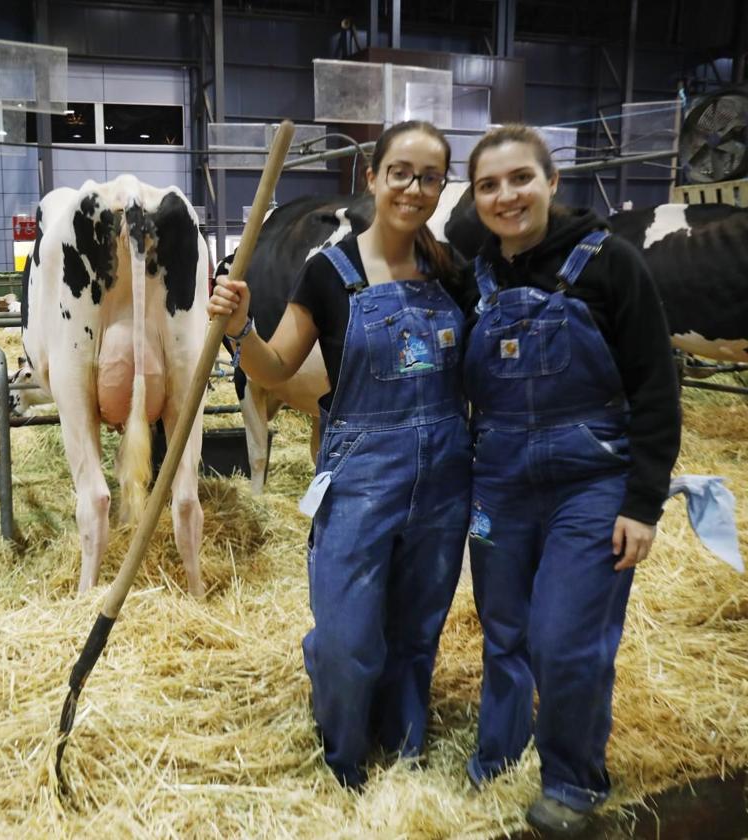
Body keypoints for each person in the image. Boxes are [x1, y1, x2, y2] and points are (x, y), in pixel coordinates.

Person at [208, 120, 474, 786]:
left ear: (442, 186)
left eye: (429, 176)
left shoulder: (451, 271)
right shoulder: (330, 271)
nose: (414, 188)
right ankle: (347, 758)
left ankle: (407, 747)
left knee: (417, 633)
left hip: (443, 480)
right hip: (359, 479)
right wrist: (240, 329)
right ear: (373, 178)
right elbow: (273, 369)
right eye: (401, 173)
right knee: (349, 640)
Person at [461, 125, 681, 836]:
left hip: (591, 481)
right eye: (489, 185)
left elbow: (656, 386)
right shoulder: (476, 275)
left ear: (553, 182)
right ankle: (497, 751)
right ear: (476, 197)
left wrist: (642, 503)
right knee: (502, 630)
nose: (507, 195)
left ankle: (573, 779)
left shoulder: (610, 263)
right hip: (498, 479)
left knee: (563, 639)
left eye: (520, 178)